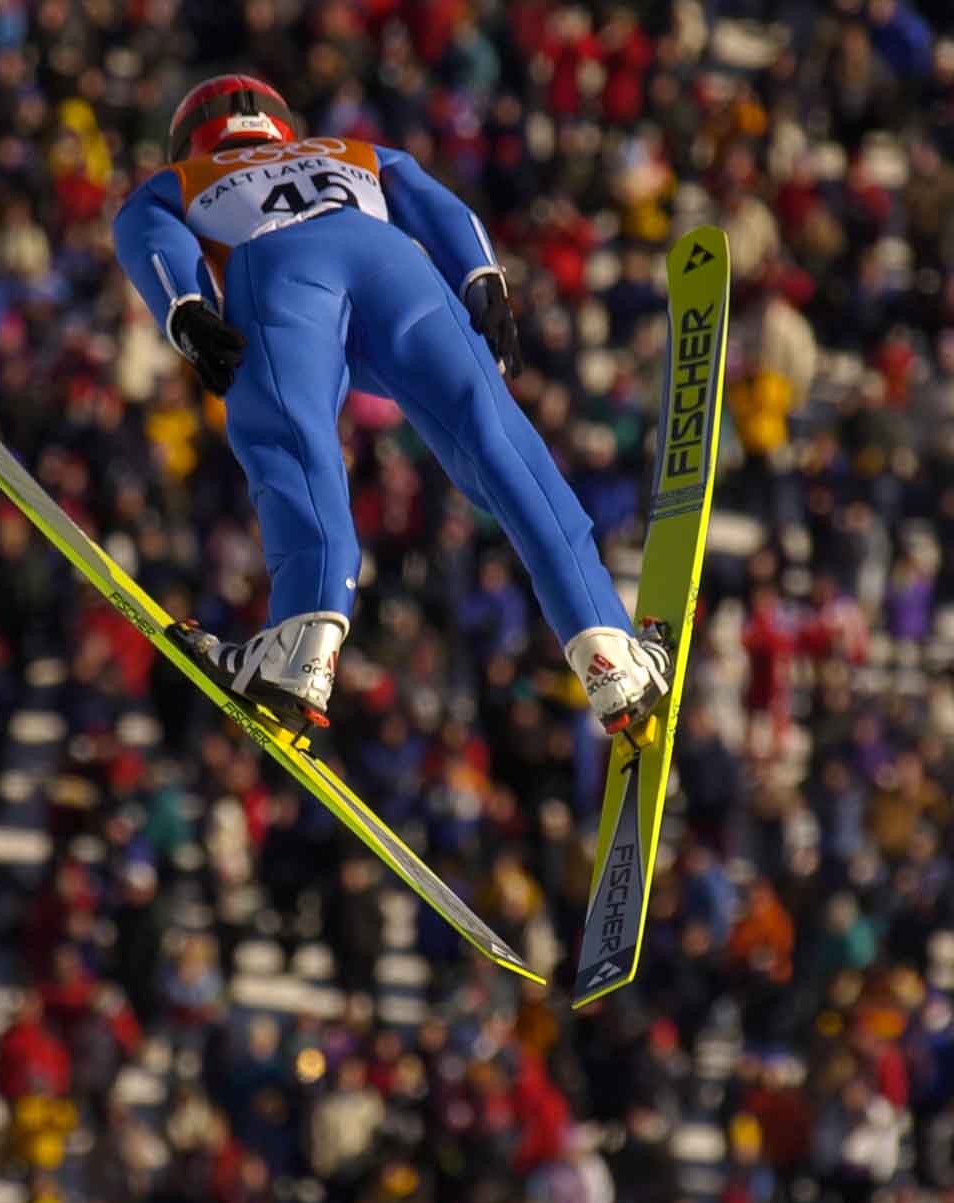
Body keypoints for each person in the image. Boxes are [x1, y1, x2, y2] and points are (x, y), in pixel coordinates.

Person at [113, 75, 670, 736]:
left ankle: (302, 640)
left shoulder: (184, 177)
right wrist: (482, 276)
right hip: (391, 262)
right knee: (495, 437)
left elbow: (143, 228)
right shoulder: (353, 150)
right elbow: (435, 204)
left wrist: (186, 309)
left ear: (188, 139)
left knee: (293, 439)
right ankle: (609, 650)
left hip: (277, 264)